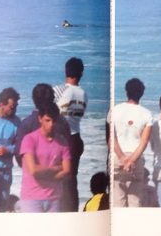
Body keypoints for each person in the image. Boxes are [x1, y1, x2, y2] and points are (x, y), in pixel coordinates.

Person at [18, 101, 71, 213]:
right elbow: (33, 170)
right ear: (40, 118)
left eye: (54, 120)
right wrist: (55, 169)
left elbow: (67, 170)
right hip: (31, 198)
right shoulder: (29, 139)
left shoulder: (62, 141)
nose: (51, 124)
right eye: (47, 120)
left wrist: (46, 176)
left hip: (54, 198)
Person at [109, 78, 153, 207]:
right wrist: (131, 160)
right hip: (136, 159)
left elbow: (111, 138)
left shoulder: (115, 110)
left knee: (118, 200)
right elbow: (143, 143)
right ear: (142, 94)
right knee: (135, 201)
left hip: (117, 157)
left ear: (126, 91)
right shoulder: (147, 114)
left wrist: (123, 158)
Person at [53, 57, 87, 211]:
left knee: (59, 178)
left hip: (61, 139)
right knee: (72, 180)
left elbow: (47, 111)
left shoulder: (59, 90)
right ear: (81, 73)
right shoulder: (83, 93)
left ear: (66, 71)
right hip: (76, 138)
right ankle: (73, 210)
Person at [15, 83, 71, 168]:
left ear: (34, 100)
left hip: (33, 175)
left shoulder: (26, 124)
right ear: (53, 99)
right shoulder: (62, 122)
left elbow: (19, 155)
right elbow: (68, 151)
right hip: (57, 174)